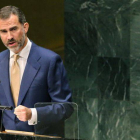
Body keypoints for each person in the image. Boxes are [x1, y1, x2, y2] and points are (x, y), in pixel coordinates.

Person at [0, 5, 72, 137]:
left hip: (39, 137)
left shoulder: (49, 60)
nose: (9, 36)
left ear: (25, 27)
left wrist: (33, 114)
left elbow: (65, 107)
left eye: (13, 29)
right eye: (3, 31)